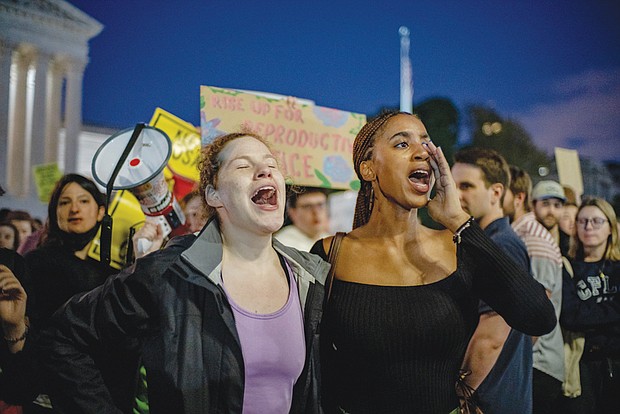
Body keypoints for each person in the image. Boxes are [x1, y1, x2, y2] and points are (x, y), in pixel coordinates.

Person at [38, 131, 329, 413]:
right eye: (243, 165)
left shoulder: (309, 277)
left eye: (271, 165)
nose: (264, 172)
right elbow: (63, 337)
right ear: (214, 194)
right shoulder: (167, 272)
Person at [310, 111, 555, 414]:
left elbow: (539, 317)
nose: (421, 153)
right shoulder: (331, 254)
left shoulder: (456, 246)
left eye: (426, 143)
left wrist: (458, 221)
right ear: (369, 168)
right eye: (402, 144)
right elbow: (315, 365)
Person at [452, 148, 534, 414]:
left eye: (466, 186)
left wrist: (464, 395)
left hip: (489, 401)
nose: (456, 195)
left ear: (496, 192)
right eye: (453, 186)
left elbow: (491, 336)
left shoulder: (500, 246)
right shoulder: (493, 242)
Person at [503, 165, 565, 413]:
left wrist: (510, 360)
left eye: (499, 191)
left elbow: (537, 313)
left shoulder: (534, 240)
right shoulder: (520, 235)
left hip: (537, 364)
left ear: (518, 198)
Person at [557, 197, 620, 413]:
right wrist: (613, 311)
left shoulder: (618, 268)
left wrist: (590, 315)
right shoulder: (567, 266)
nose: (588, 227)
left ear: (610, 228)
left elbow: (581, 313)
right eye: (582, 221)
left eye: (596, 221)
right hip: (581, 366)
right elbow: (570, 316)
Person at [533, 180, 570, 256]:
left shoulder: (570, 245)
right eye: (545, 204)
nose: (551, 211)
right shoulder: (524, 241)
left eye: (557, 205)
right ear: (533, 206)